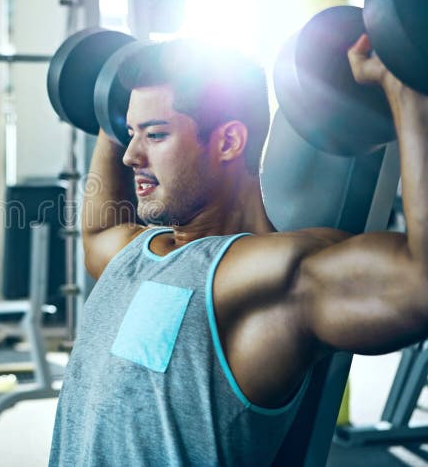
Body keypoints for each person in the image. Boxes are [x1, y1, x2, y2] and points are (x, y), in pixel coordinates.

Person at [49, 36, 428, 465]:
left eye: (155, 134)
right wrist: (108, 110)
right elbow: (98, 231)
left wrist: (406, 87)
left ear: (229, 142)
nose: (131, 155)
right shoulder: (133, 250)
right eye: (130, 133)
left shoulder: (267, 276)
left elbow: (420, 285)